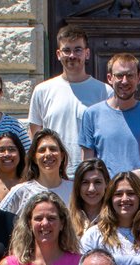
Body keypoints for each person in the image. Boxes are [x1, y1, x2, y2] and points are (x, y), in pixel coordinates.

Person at [28, 25, 112, 168]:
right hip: (53, 174)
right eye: (66, 50)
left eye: (78, 50)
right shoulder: (42, 91)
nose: (72, 55)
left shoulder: (104, 91)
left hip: (91, 175)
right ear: (58, 54)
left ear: (87, 53)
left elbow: (109, 137)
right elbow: (35, 138)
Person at [80, 53, 140, 176]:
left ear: (139, 78)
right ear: (109, 78)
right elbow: (87, 163)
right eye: (119, 76)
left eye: (130, 75)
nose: (124, 81)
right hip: (106, 192)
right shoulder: (92, 115)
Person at [79, 170, 140, 265]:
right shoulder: (94, 235)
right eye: (118, 194)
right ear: (110, 199)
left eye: (131, 193)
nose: (125, 199)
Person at [0, 129, 74, 217]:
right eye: (42, 150)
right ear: (34, 158)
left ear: (62, 156)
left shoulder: (73, 189)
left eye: (53, 149)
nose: (48, 154)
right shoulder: (21, 192)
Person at [69, 158, 109, 236]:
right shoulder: (66, 220)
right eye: (85, 182)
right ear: (78, 186)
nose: (91, 189)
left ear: (106, 183)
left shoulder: (116, 218)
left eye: (97, 182)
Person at [0, 131, 26, 205]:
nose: (6, 154)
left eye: (11, 149)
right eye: (1, 150)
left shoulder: (28, 184)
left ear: (20, 153)